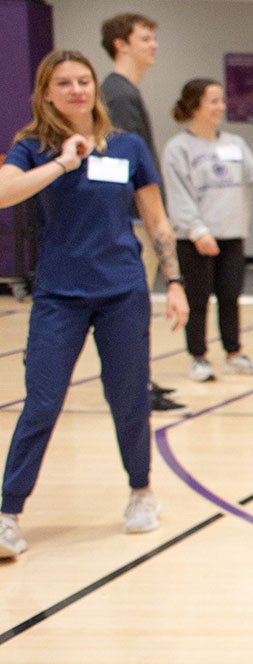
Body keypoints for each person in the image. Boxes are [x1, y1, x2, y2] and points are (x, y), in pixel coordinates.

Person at [0, 50, 190, 558]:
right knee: (41, 401)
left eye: (84, 81)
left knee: (128, 398)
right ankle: (8, 514)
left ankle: (141, 492)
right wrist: (65, 161)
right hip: (59, 295)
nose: (77, 90)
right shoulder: (32, 147)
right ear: (47, 94)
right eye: (64, 84)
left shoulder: (128, 146)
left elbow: (156, 220)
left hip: (122, 292)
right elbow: (4, 193)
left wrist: (174, 281)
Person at [162, 78, 253, 382]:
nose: (221, 107)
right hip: (196, 239)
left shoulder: (234, 144)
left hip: (232, 235)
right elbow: (178, 197)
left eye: (222, 100)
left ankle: (233, 354)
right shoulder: (178, 149)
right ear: (195, 105)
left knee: (230, 295)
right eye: (213, 101)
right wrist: (197, 231)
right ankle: (198, 357)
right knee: (198, 298)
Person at [98, 12, 184, 413]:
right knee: (131, 305)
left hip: (135, 216)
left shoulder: (125, 91)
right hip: (132, 219)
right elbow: (117, 164)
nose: (154, 45)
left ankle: (139, 380)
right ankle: (134, 386)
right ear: (121, 44)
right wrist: (144, 217)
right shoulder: (117, 94)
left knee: (135, 304)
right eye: (145, 38)